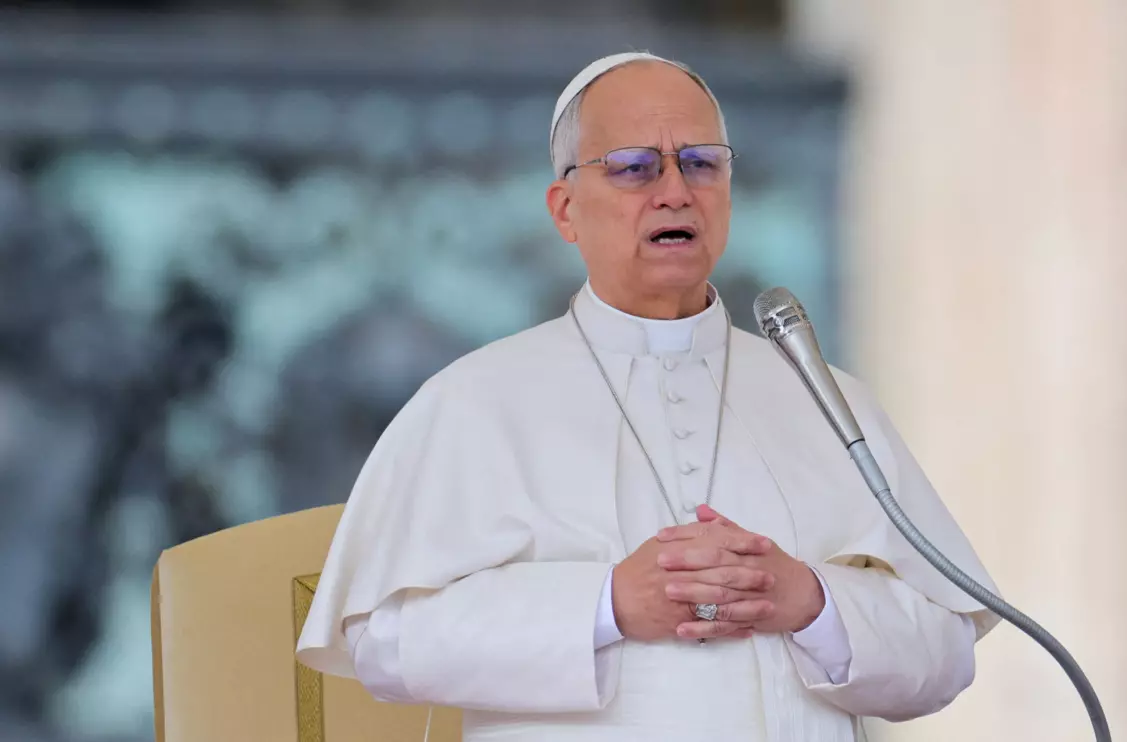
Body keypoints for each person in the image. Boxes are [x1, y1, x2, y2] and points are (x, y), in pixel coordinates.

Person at [296, 51, 1000, 742]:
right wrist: (606, 605)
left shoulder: (825, 400)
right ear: (565, 209)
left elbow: (943, 653)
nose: (673, 191)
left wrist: (809, 601)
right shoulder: (473, 400)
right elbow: (385, 642)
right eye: (634, 167)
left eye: (700, 163)